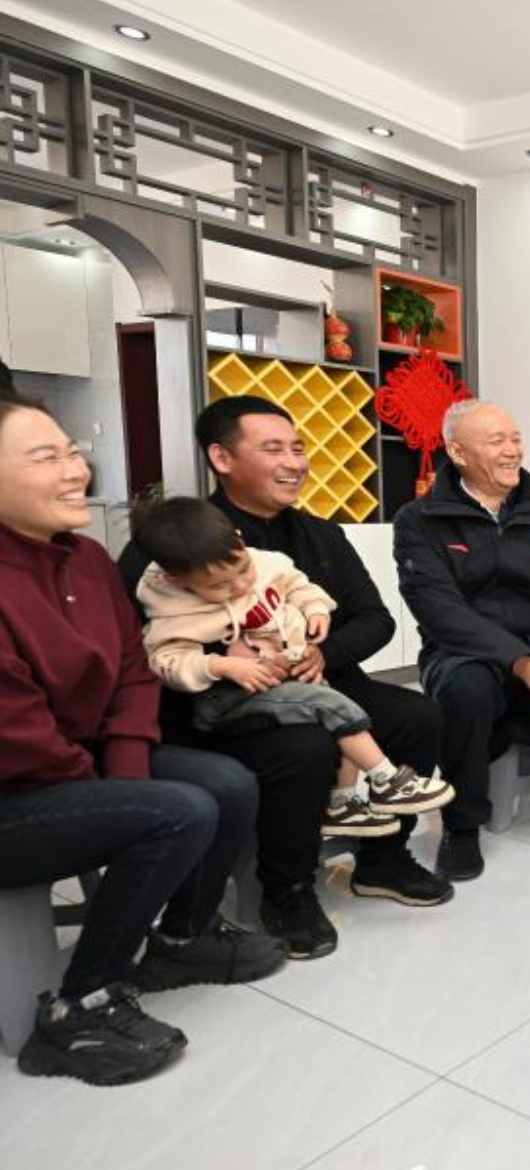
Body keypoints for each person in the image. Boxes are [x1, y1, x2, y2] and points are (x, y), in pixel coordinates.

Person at [0, 392, 283, 1086]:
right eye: (47, 457)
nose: (76, 471)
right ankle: (76, 1009)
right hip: (15, 791)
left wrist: (123, 770)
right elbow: (15, 730)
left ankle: (179, 940)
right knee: (176, 808)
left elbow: (132, 669)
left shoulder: (89, 559)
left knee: (228, 782)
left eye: (71, 452)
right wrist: (115, 791)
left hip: (80, 765)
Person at [122, 395, 456, 962]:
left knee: (420, 716)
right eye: (273, 448)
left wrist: (322, 653)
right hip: (227, 700)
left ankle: (382, 860)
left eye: (297, 448)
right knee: (303, 746)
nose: (294, 462)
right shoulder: (174, 546)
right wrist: (230, 660)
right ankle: (289, 890)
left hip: (322, 678)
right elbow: (147, 647)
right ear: (221, 458)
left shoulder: (319, 535)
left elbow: (375, 619)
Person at [129, 496, 453, 836]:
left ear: (239, 539)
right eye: (219, 586)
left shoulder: (264, 562)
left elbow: (297, 583)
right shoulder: (174, 610)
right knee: (333, 709)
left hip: (286, 677)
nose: (240, 586)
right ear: (179, 580)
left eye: (242, 571)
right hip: (228, 698)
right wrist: (221, 666)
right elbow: (165, 661)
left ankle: (341, 804)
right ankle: (387, 779)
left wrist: (315, 609)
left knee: (343, 718)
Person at [395, 399, 530, 879]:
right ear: (457, 451)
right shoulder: (421, 519)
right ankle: (462, 826)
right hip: (464, 649)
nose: (513, 450)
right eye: (497, 441)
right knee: (465, 689)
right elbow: (438, 608)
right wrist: (520, 661)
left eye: (515, 439)